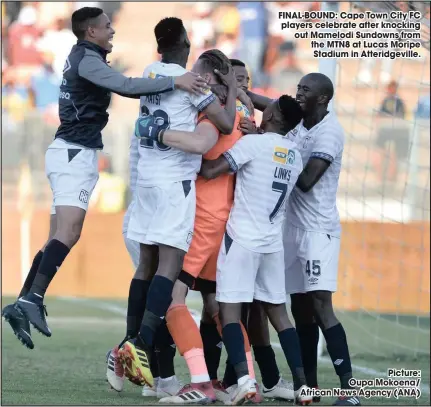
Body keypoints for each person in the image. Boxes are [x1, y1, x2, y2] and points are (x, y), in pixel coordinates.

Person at [1, 7, 207, 350]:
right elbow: (124, 86)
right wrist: (175, 81)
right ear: (90, 31)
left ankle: (24, 301)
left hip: (69, 150)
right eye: (107, 26)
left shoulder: (87, 56)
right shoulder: (86, 58)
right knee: (68, 232)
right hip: (74, 152)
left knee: (57, 234)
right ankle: (30, 299)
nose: (113, 30)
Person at [117, 17, 238, 388]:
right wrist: (231, 89)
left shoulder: (151, 72)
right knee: (169, 266)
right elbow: (227, 122)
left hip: (146, 181)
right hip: (174, 183)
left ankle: (128, 339)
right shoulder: (193, 83)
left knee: (145, 266)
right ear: (185, 43)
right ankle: (139, 344)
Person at [198, 95, 313, 406]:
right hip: (272, 243)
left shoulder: (253, 145)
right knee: (280, 314)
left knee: (229, 311)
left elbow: (211, 171)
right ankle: (303, 386)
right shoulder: (295, 154)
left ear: (273, 115)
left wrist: (184, 151)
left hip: (243, 238)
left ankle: (246, 383)